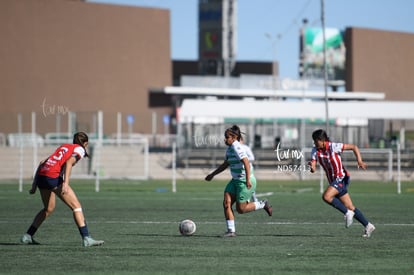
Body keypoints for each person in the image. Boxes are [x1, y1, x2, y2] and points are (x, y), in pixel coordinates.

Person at [21, 132, 104, 247]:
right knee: (77, 207)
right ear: (86, 143)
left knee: (48, 209)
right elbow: (69, 162)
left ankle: (28, 236)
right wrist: (65, 183)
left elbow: (42, 163)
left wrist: (34, 185)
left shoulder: (65, 146)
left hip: (42, 176)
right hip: (52, 177)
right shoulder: (80, 149)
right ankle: (87, 238)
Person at [205, 125, 272, 237]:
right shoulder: (229, 149)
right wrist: (212, 174)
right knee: (226, 203)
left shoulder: (237, 147)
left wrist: (247, 180)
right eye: (225, 137)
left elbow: (246, 162)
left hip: (244, 181)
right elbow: (225, 164)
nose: (225, 139)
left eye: (227, 137)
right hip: (235, 181)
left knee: (241, 209)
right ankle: (231, 231)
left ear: (234, 137)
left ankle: (262, 204)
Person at [308, 129, 375, 238]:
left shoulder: (334, 146)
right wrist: (311, 166)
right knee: (350, 206)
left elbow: (354, 147)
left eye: (316, 141)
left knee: (326, 196)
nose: (314, 143)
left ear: (322, 140)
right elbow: (313, 169)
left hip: (341, 177)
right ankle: (368, 225)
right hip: (333, 181)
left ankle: (347, 213)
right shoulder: (315, 151)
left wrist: (359, 161)